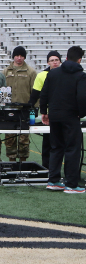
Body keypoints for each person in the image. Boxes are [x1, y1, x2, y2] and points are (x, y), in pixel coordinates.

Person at [40, 46, 86, 193]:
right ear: (80, 60)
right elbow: (82, 97)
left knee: (56, 147)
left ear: (65, 58)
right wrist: (81, 113)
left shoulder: (53, 73)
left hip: (54, 114)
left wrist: (43, 111)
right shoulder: (81, 75)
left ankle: (53, 180)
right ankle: (71, 184)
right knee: (72, 148)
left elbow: (44, 93)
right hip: (71, 115)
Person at [3, 46, 37, 162]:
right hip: (9, 109)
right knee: (10, 137)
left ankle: (23, 162)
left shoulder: (31, 72)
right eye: (17, 56)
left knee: (24, 139)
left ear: (24, 57)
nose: (19, 58)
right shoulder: (6, 71)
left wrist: (34, 108)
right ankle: (11, 162)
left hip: (24, 110)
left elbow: (35, 91)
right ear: (13, 57)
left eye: (21, 56)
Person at [30, 50, 62, 168]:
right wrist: (29, 108)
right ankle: (46, 167)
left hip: (62, 114)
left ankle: (57, 169)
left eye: (56, 60)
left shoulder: (65, 74)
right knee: (47, 142)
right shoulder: (42, 75)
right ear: (48, 62)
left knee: (60, 143)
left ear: (60, 61)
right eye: (52, 60)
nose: (54, 62)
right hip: (48, 114)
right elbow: (35, 95)